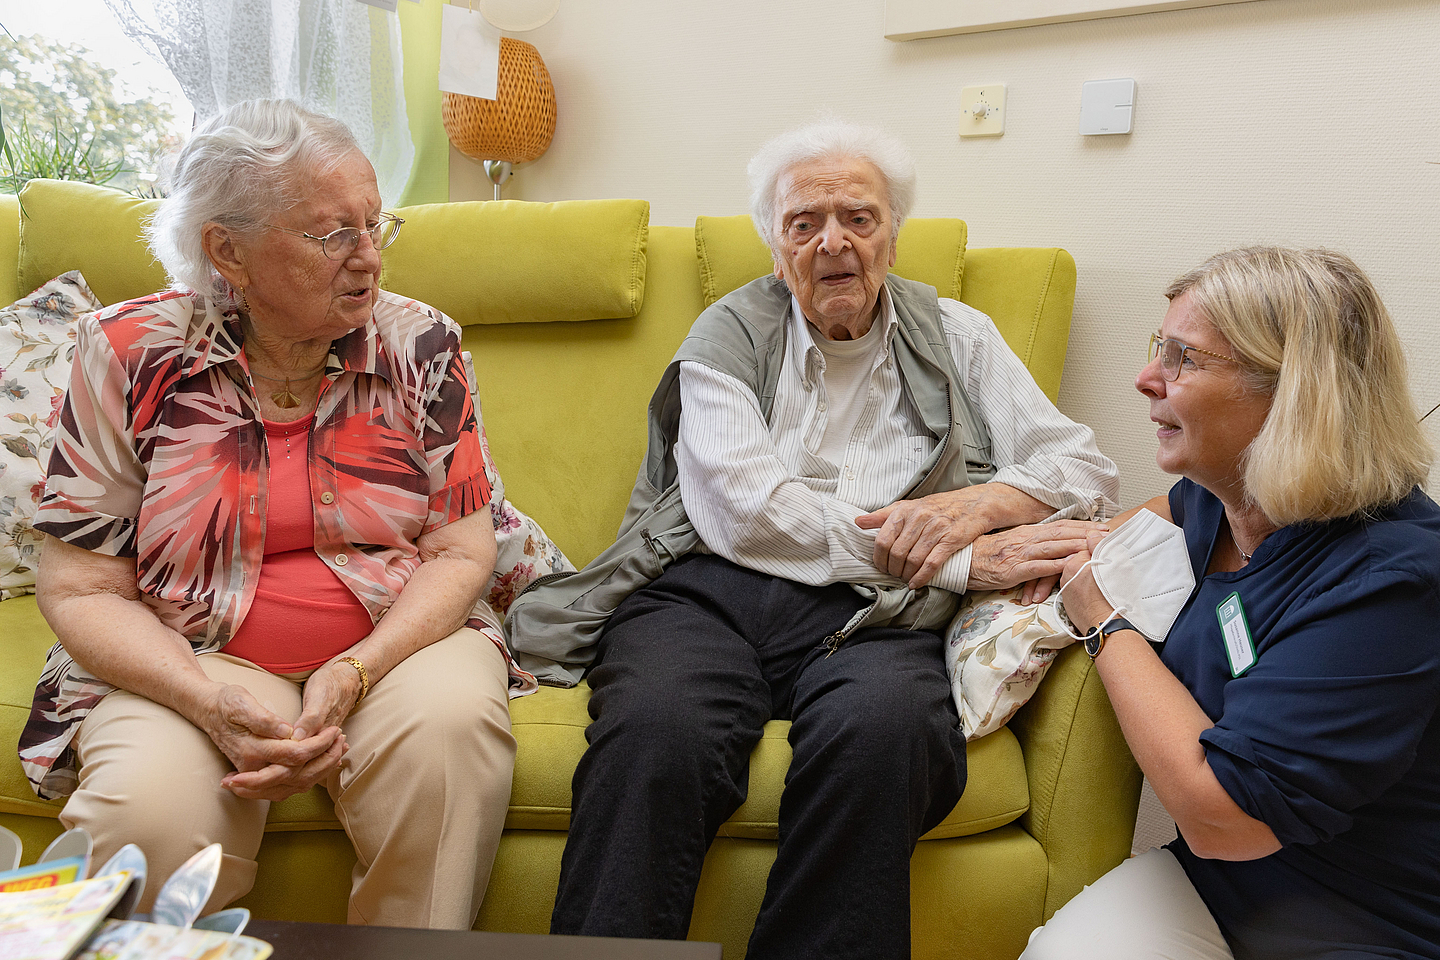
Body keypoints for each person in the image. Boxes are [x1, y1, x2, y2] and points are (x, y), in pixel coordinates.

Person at [507, 119, 1118, 959]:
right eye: (804, 223)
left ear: (893, 237)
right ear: (776, 249)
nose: (834, 241)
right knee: (658, 732)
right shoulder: (723, 339)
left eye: (859, 218)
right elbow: (746, 511)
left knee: (887, 734)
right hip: (707, 593)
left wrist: (975, 505)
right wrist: (966, 560)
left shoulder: (958, 334)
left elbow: (1084, 467)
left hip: (882, 616)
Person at [19, 99, 520, 929]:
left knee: (451, 741)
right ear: (227, 251)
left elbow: (462, 555)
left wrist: (356, 667)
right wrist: (204, 701)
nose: (367, 259)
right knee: (145, 821)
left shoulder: (422, 346)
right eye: (331, 235)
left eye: (375, 224)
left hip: (395, 645)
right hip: (191, 652)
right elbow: (81, 589)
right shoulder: (127, 354)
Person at [1023, 247, 1440, 960]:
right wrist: (1066, 540)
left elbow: (1228, 817)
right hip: (1218, 888)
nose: (1146, 377)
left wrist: (1104, 623)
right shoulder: (1225, 501)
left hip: (1366, 918)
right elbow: (1156, 515)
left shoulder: (1392, 583)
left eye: (1183, 358)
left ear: (1293, 394)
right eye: (1160, 347)